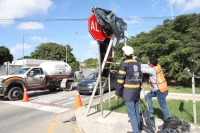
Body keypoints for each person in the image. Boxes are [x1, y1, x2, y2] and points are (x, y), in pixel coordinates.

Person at [115, 45, 142, 133]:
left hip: (128, 92)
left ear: (125, 54)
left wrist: (117, 93)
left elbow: (120, 80)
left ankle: (136, 131)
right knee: (136, 111)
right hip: (136, 91)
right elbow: (140, 78)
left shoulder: (124, 63)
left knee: (131, 114)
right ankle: (138, 129)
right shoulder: (137, 63)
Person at [141, 57, 169, 123]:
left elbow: (142, 69)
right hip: (159, 89)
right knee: (148, 96)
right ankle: (151, 112)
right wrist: (137, 63)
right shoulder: (157, 66)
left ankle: (167, 121)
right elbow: (145, 65)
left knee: (163, 106)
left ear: (151, 64)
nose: (147, 62)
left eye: (148, 62)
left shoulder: (152, 70)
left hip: (160, 90)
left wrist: (133, 65)